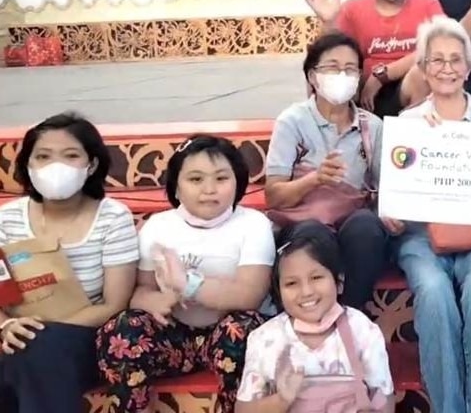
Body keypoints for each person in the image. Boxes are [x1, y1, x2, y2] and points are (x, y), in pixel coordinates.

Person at [97, 135, 274, 413]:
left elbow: (250, 295)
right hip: (174, 336)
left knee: (245, 329)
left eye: (221, 178)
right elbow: (140, 291)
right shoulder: (158, 226)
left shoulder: (254, 224)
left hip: (225, 336)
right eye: (195, 179)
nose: (209, 189)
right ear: (176, 186)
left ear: (238, 182)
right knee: (122, 328)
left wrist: (187, 285)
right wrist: (152, 301)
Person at [393, 15, 471, 413]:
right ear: (423, 68)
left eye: (455, 59)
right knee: (435, 291)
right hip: (422, 237)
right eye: (436, 60)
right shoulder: (406, 125)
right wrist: (391, 214)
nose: (446, 68)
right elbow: (391, 197)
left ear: (469, 66)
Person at [0, 112, 139, 413]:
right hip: (13, 334)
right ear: (28, 164)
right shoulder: (6, 219)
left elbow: (114, 305)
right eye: (44, 156)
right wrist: (6, 325)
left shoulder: (113, 218)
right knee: (20, 354)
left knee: (38, 351)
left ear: (92, 165)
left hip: (84, 339)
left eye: (70, 155)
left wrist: (41, 331)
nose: (55, 165)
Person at [264, 32, 391, 311]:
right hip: (301, 225)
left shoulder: (373, 127)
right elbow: (273, 196)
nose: (342, 75)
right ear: (312, 76)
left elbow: (385, 189)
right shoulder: (292, 122)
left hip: (350, 227)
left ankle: (349, 317)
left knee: (367, 228)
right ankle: (311, 321)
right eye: (332, 68)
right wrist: (315, 179)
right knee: (313, 234)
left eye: (350, 69)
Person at [235, 225, 395, 412]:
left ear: (339, 281)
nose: (306, 292)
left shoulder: (363, 331)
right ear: (279, 291)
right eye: (291, 283)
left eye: (317, 277)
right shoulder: (264, 339)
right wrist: (281, 400)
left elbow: (384, 402)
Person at [303, 0, 443, 117]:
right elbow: (330, 55)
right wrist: (329, 22)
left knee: (423, 69)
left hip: (413, 91)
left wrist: (383, 74)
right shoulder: (352, 8)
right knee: (329, 71)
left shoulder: (428, 4)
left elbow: (440, 48)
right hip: (362, 92)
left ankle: (413, 136)